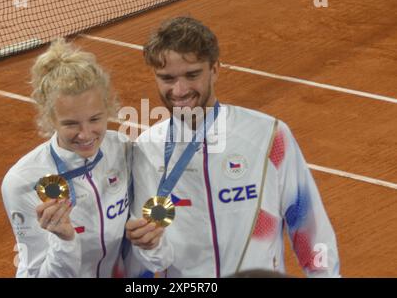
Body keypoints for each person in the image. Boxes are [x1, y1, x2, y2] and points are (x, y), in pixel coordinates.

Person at [125, 16, 340, 277]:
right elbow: (152, 262)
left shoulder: (270, 135)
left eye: (192, 75)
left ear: (215, 68)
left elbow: (309, 225)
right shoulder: (146, 149)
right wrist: (150, 245)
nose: (179, 90)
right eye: (167, 78)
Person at [1, 39, 131, 277]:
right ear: (50, 119)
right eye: (71, 123)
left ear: (109, 109)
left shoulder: (121, 148)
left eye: (95, 119)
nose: (85, 134)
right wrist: (65, 240)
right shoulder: (23, 181)